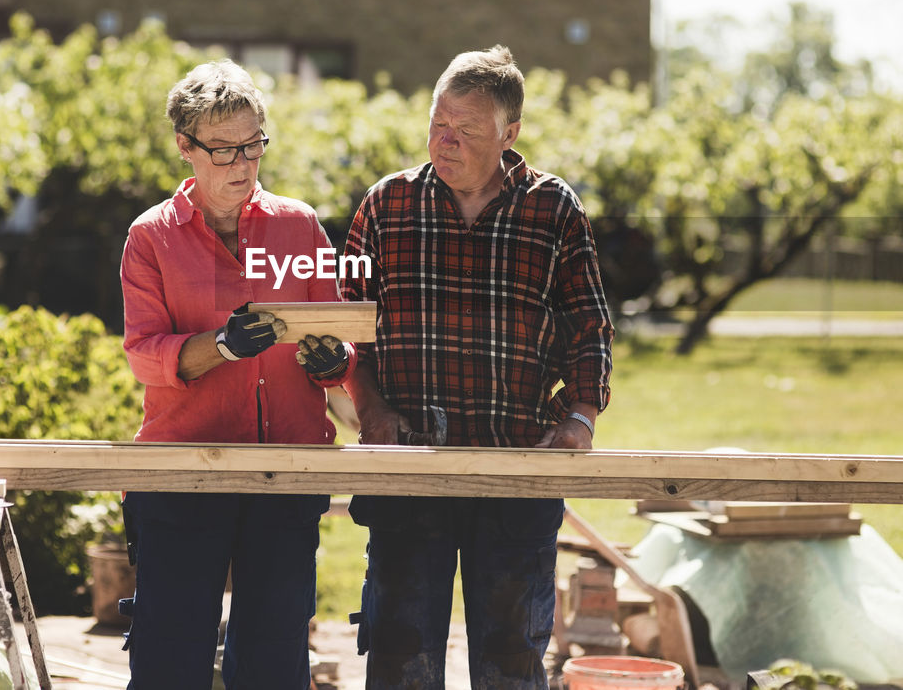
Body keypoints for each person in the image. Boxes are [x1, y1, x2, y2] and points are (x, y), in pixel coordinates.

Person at [340, 45, 614, 689]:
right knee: (401, 661)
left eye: (468, 130)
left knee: (510, 665)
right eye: (439, 124)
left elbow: (590, 326)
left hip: (515, 471)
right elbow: (345, 323)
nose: (448, 141)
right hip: (408, 473)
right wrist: (369, 406)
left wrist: (580, 417)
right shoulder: (387, 206)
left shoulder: (553, 210)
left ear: (509, 134)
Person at [119, 59, 355, 689]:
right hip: (180, 471)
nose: (242, 165)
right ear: (185, 148)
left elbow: (339, 336)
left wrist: (337, 363)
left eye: (253, 146)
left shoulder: (297, 225)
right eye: (223, 151)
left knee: (274, 661)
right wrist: (218, 346)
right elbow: (144, 354)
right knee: (171, 658)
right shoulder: (151, 238)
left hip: (287, 472)